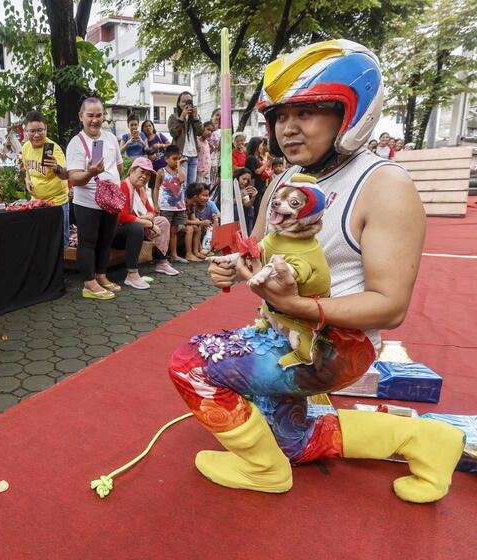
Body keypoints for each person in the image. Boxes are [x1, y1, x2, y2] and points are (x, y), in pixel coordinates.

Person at [169, 39, 464, 503]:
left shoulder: (383, 184)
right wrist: (234, 269)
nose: (288, 129)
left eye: (306, 112)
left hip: (335, 346)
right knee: (289, 438)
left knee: (193, 365)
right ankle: (425, 440)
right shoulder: (287, 179)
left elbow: (390, 306)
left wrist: (297, 304)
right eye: (281, 116)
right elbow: (260, 258)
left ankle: (265, 471)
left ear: (351, 113)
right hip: (287, 328)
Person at [66, 97, 124, 300]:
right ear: (81, 117)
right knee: (88, 242)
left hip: (110, 202)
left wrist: (112, 184)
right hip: (87, 202)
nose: (95, 120)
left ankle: (101, 275)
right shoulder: (76, 143)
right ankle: (89, 282)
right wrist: (91, 173)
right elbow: (74, 178)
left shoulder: (110, 138)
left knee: (106, 240)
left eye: (99, 115)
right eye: (90, 115)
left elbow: (119, 166)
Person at [113, 157, 172, 289]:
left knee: (162, 221)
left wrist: (147, 218)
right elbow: (122, 217)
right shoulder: (123, 185)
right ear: (132, 171)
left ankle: (162, 262)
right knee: (136, 227)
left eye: (148, 174)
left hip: (135, 227)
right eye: (142, 172)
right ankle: (132, 274)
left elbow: (152, 211)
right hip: (116, 232)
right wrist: (149, 224)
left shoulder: (141, 190)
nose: (145, 176)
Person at [20, 111, 70, 247]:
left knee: (59, 243)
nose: (36, 135)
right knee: (40, 242)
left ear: (45, 129)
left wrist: (56, 168)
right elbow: (27, 170)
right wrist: (27, 180)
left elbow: (66, 175)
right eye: (32, 131)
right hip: (37, 203)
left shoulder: (54, 149)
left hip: (57, 204)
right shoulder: (25, 148)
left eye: (40, 130)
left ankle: (62, 268)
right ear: (26, 132)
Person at [153, 144, 188, 266]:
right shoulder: (161, 172)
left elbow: (182, 180)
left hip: (179, 207)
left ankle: (173, 255)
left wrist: (179, 166)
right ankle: (162, 256)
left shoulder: (181, 170)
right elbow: (156, 188)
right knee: (164, 232)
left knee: (174, 231)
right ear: (166, 159)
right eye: (174, 159)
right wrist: (155, 204)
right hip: (166, 207)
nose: (177, 161)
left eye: (179, 158)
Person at [166, 91, 204, 185]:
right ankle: (181, 200)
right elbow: (174, 133)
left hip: (194, 155)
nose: (186, 104)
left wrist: (195, 117)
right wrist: (182, 117)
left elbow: (200, 132)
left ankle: (188, 200)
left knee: (191, 186)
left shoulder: (195, 117)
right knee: (182, 184)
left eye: (189, 102)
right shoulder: (173, 117)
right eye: (183, 101)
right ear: (179, 103)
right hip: (181, 155)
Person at [183, 183, 219, 261]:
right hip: (178, 224)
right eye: (203, 195)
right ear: (196, 197)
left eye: (207, 195)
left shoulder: (192, 204)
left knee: (197, 227)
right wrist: (200, 222)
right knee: (190, 228)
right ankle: (189, 254)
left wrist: (198, 222)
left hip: (186, 223)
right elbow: (183, 221)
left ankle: (197, 251)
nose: (206, 198)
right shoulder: (183, 204)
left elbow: (193, 218)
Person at [142, 120, 170, 188]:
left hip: (164, 166)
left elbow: (169, 144)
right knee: (154, 188)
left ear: (153, 127)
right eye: (145, 126)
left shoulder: (159, 136)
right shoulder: (143, 141)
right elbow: (142, 154)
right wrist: (149, 157)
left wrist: (160, 145)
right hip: (152, 169)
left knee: (166, 187)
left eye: (149, 125)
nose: (148, 128)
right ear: (142, 129)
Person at [196, 121, 214, 187]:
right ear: (202, 128)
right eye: (208, 129)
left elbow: (206, 154)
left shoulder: (207, 142)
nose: (210, 132)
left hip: (207, 172)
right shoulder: (197, 141)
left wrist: (212, 148)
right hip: (199, 172)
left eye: (212, 131)